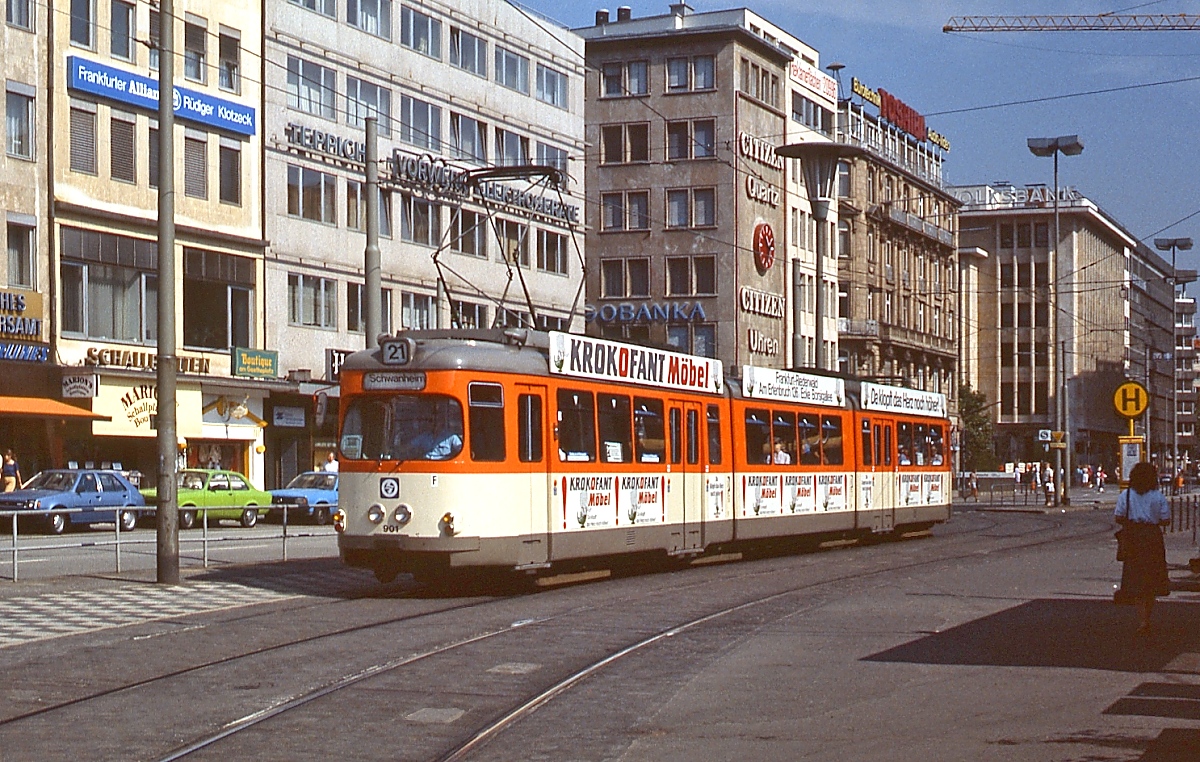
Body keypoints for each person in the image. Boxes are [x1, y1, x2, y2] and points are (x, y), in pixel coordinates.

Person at [1114, 461, 1172, 635]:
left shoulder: (1127, 495)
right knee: (1151, 579)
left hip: (1134, 538)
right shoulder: (1158, 496)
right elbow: (1166, 520)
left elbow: (1118, 517)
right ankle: (1147, 616)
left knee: (1136, 578)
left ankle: (1142, 620)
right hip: (1152, 538)